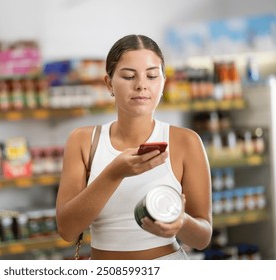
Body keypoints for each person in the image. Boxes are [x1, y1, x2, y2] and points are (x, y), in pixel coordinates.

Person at [55, 34, 212, 260]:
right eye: (129, 76)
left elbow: (203, 238)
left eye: (152, 76)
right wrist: (114, 173)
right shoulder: (83, 141)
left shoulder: (187, 142)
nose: (141, 85)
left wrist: (181, 222)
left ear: (163, 82)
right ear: (109, 83)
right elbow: (67, 231)